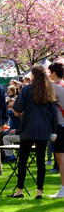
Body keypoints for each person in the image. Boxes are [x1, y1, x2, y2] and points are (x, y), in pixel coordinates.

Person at [10, 65, 57, 199]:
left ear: (33, 75)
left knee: (23, 160)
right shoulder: (49, 90)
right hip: (44, 129)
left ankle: (19, 190)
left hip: (28, 128)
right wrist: (54, 131)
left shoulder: (26, 89)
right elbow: (53, 113)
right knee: (40, 161)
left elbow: (17, 108)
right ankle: (39, 191)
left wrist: (20, 113)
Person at [47, 62, 64, 198]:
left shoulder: (55, 87)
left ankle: (63, 189)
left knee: (60, 157)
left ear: (53, 72)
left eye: (49, 72)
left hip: (61, 126)